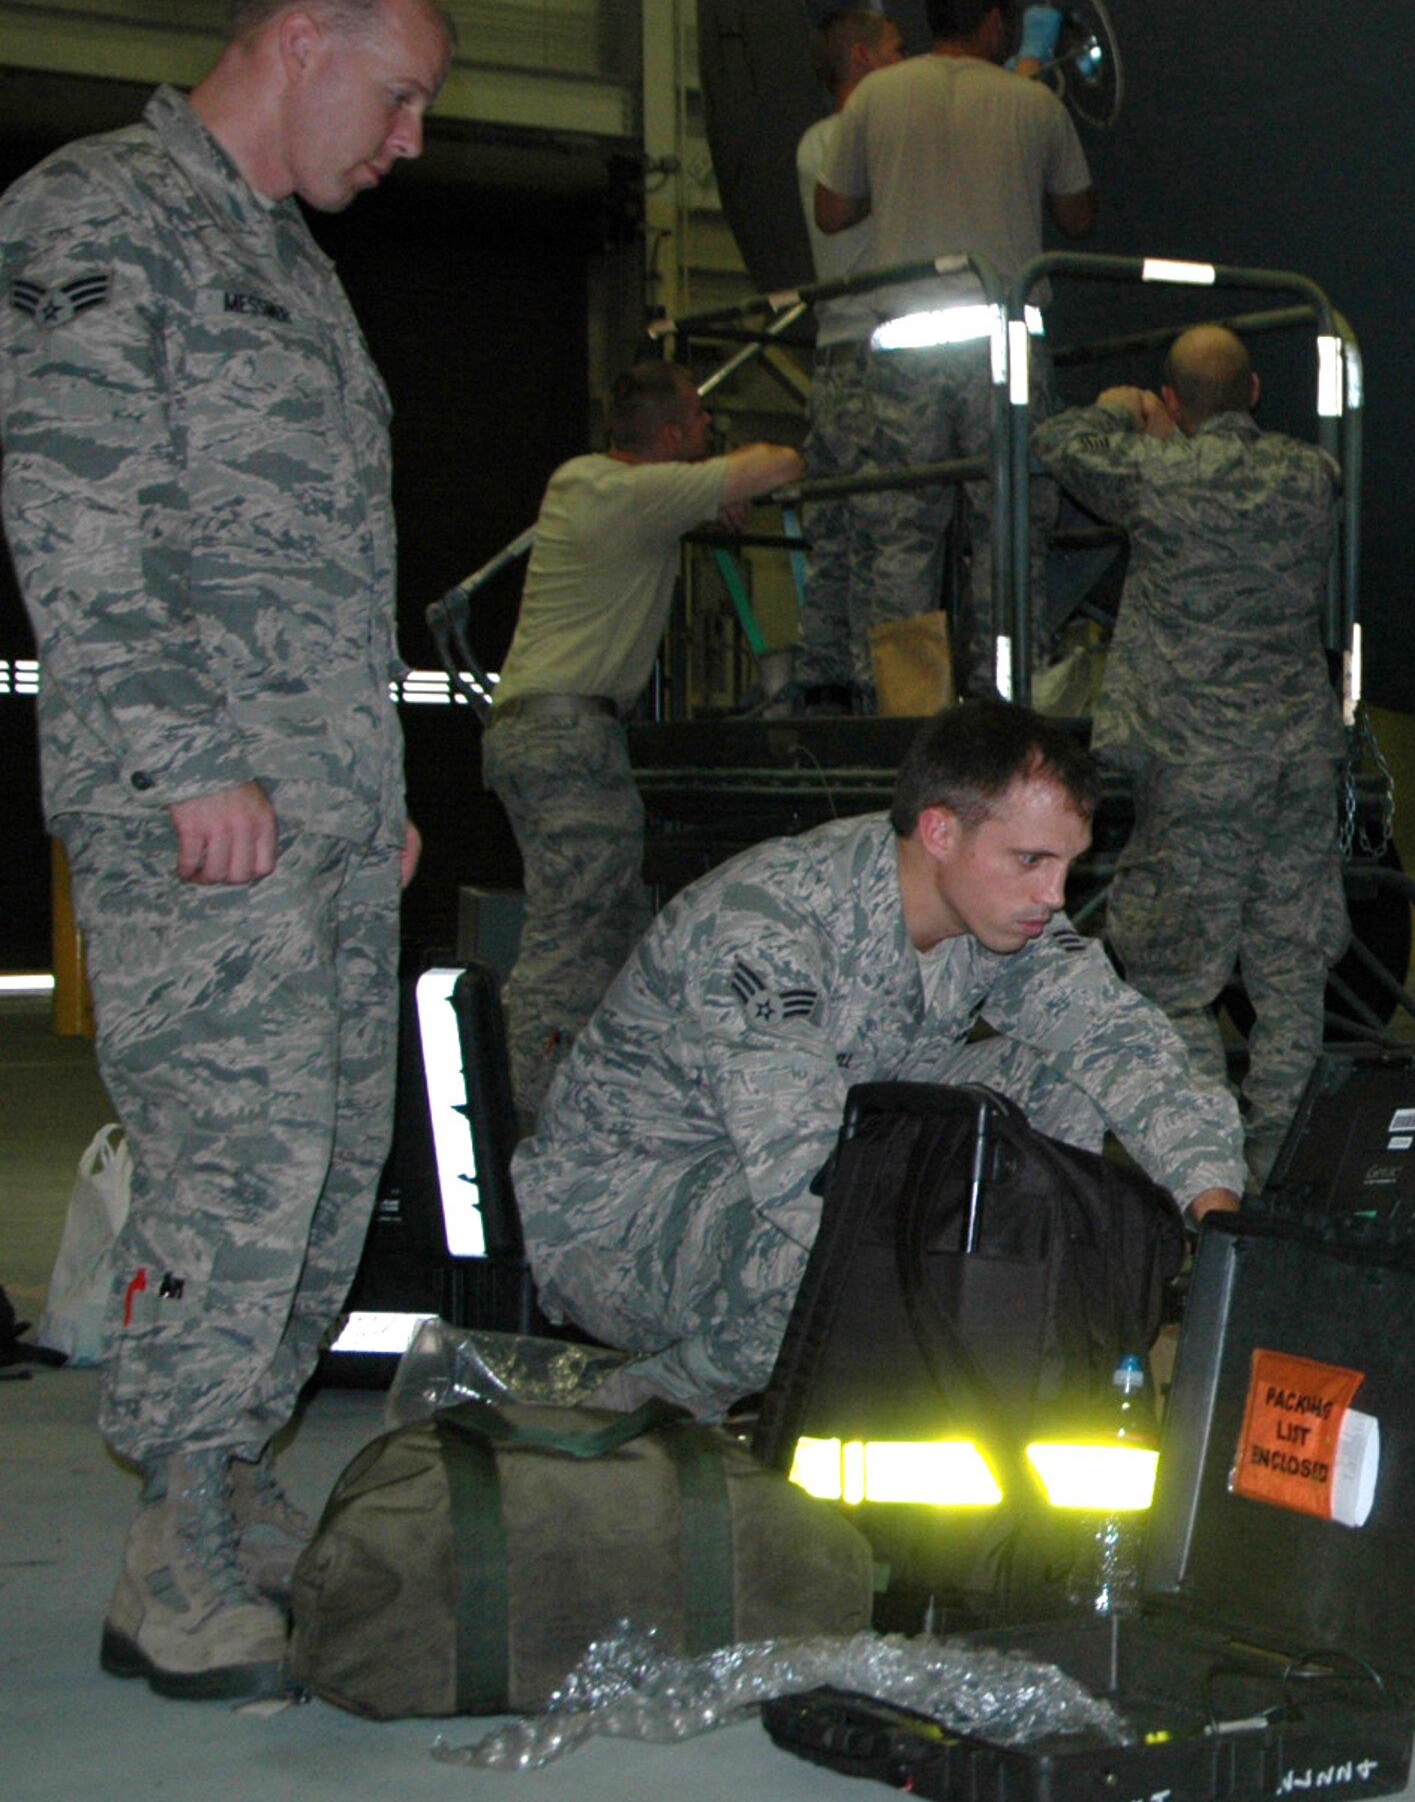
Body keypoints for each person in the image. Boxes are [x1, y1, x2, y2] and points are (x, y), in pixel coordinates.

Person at [0, 0, 453, 1700]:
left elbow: (328, 578)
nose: (409, 140)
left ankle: (233, 1476)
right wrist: (187, 762)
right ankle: (171, 1555)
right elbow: (77, 519)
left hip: (321, 820)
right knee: (231, 1176)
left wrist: (379, 802)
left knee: (328, 1172)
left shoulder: (289, 262)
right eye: (398, 95)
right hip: (199, 816)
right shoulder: (101, 212)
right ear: (294, 42)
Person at [512, 701, 1244, 1419]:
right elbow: (804, 1178)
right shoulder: (767, 923)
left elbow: (1121, 1043)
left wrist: (1214, 1214)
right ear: (938, 831)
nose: (1052, 896)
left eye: (1065, 865)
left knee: (1061, 1081)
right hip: (618, 1214)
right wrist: (975, 1262)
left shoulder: (999, 915)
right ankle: (636, 1403)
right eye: (1029, 860)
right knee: (848, 1254)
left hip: (794, 1168)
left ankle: (971, 1360)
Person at [1033, 326, 1349, 1184]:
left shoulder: (1155, 473)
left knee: (1174, 975)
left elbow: (1057, 443)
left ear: (1172, 403)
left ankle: (1206, 1174)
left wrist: (1118, 411)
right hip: (1297, 760)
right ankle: (1288, 1166)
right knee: (1289, 969)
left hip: (1198, 766)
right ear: (1253, 393)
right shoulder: (1309, 476)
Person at [484, 362, 803, 1127]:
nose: (705, 434)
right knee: (571, 937)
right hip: (569, 739)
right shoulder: (627, 492)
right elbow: (780, 463)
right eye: (696, 423)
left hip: (548, 732)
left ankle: (594, 1108)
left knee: (608, 929)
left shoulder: (596, 489)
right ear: (667, 437)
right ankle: (526, 1121)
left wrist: (706, 497)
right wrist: (718, 481)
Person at [815, 0, 1095, 696]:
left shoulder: (876, 97)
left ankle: (909, 711)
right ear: (998, 21)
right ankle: (1007, 706)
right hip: (1000, 346)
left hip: (904, 345)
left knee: (900, 538)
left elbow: (832, 208)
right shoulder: (1032, 105)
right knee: (1005, 532)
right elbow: (1077, 212)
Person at [792, 8, 905, 713]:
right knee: (880, 528)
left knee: (844, 529)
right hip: (866, 353)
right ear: (862, 59)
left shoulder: (827, 142)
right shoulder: (834, 142)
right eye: (897, 51)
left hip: (841, 353)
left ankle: (830, 675)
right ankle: (870, 685)